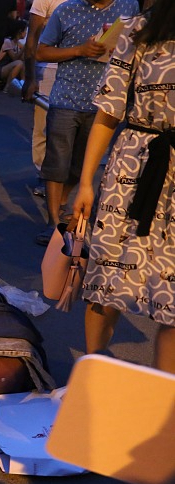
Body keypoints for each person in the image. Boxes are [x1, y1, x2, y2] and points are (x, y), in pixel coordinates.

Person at [69, 0, 175, 373]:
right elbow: (108, 111)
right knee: (107, 279)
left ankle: (165, 412)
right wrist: (85, 182)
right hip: (134, 166)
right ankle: (94, 373)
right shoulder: (136, 30)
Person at [33, 0, 138, 245]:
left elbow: (136, 45)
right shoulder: (66, 10)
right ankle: (53, 222)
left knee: (81, 165)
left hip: (105, 103)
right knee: (56, 162)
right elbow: (42, 51)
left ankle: (62, 204)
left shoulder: (129, 6)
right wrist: (79, 50)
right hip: (65, 98)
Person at [20, 0, 66, 198]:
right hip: (46, 70)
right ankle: (43, 174)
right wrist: (30, 77)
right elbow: (32, 38)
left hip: (74, 71)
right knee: (43, 127)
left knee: (66, 128)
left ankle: (60, 176)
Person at [0, 19, 26, 95]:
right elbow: (14, 58)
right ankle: (7, 87)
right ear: (20, 32)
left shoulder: (17, 43)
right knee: (19, 63)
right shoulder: (8, 42)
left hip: (6, 68)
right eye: (25, 31)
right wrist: (24, 48)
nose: (26, 33)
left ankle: (23, 83)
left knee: (24, 62)